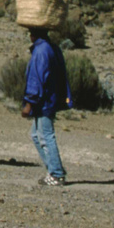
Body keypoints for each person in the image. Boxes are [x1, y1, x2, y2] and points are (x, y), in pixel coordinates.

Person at [23, 25, 71, 185]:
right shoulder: (51, 47)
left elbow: (37, 78)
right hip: (49, 99)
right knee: (36, 135)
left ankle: (56, 173)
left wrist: (29, 102)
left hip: (43, 101)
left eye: (31, 32)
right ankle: (53, 169)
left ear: (34, 34)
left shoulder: (41, 51)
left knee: (45, 136)